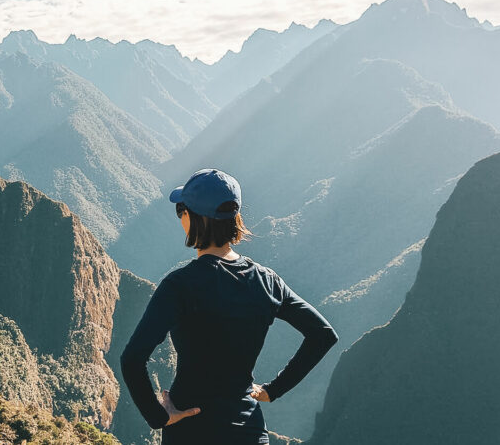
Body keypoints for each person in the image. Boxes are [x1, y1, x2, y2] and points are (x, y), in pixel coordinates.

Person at [120, 168, 338, 444]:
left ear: (194, 218)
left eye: (181, 210)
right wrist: (274, 390)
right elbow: (323, 334)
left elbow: (132, 359)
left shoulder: (180, 285)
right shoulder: (267, 281)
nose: (180, 217)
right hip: (249, 430)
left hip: (191, 431)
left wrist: (158, 416)